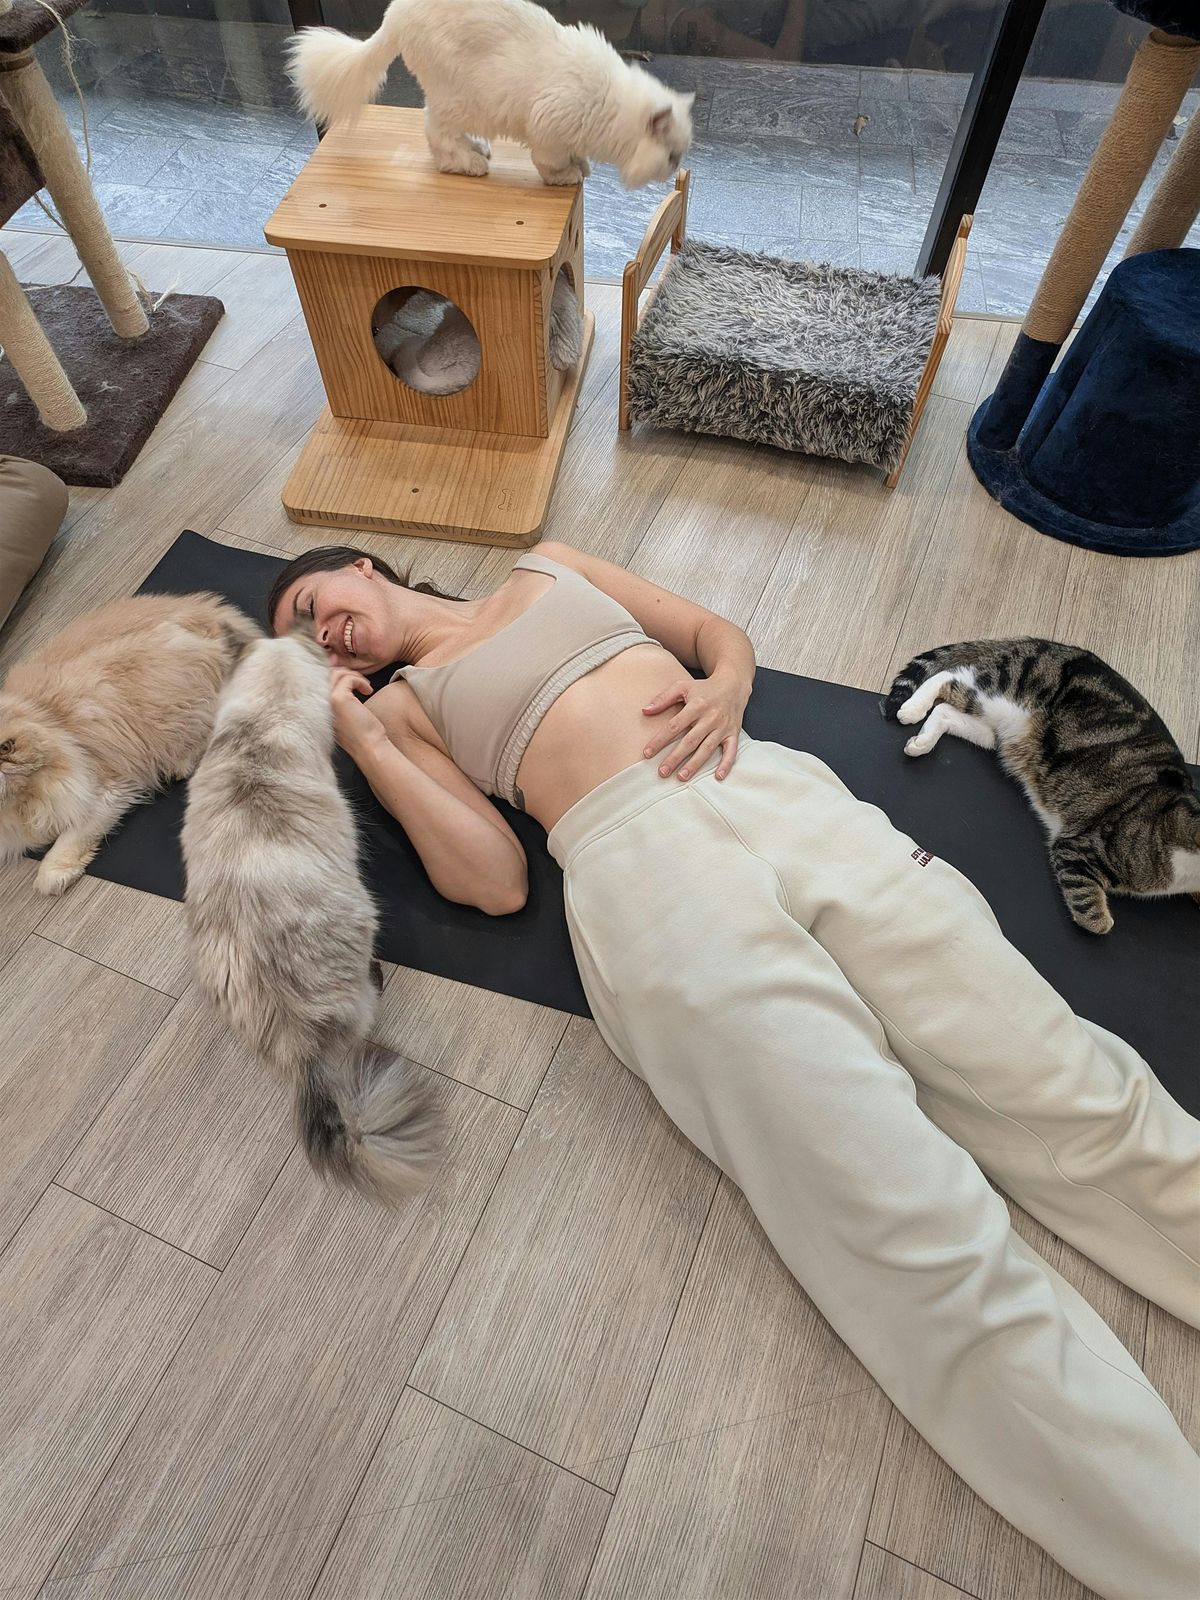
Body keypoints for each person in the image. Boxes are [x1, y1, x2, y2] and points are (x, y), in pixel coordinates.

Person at [269, 539, 1200, 1600]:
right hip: (641, 870)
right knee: (902, 1219)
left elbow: (712, 632)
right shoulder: (402, 711)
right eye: (304, 643)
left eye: (313, 603)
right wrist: (363, 736)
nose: (322, 633)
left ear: (362, 566)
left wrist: (726, 686)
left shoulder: (548, 565)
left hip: (768, 785)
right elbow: (491, 881)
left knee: (1066, 1080)